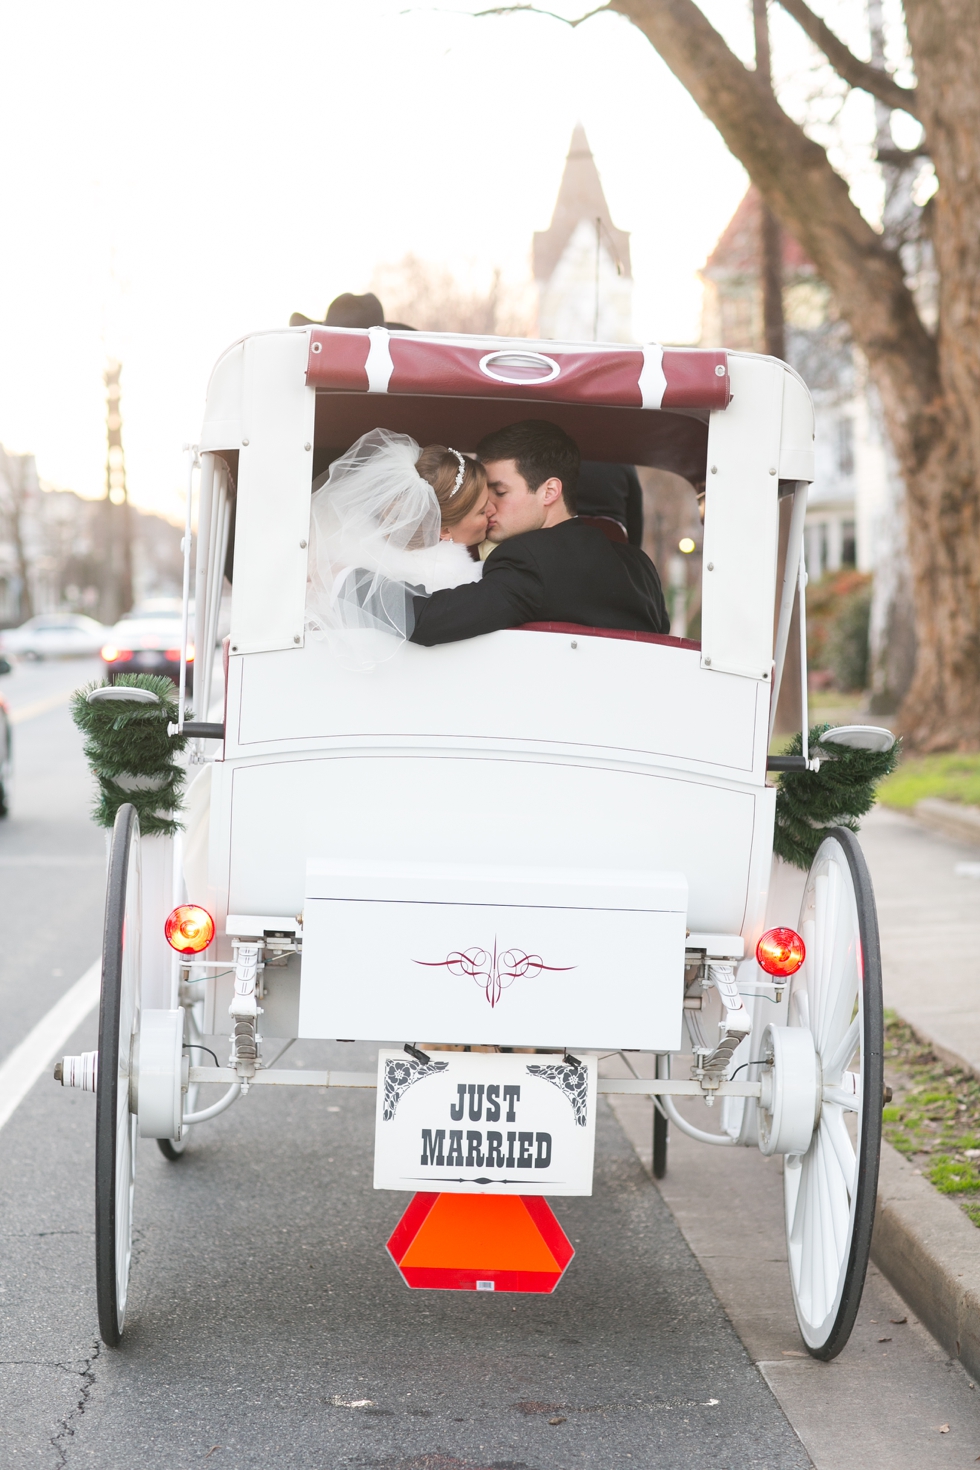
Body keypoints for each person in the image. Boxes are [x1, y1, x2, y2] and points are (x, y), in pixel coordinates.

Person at [409, 420, 668, 647]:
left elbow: (428, 621)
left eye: (499, 492)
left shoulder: (528, 559)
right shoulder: (640, 565)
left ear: (549, 491)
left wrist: (369, 583)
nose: (487, 507)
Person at [305, 429, 488, 666]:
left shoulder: (347, 550)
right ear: (443, 531)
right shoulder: (453, 583)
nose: (493, 512)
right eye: (482, 511)